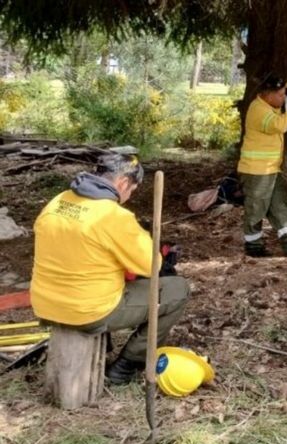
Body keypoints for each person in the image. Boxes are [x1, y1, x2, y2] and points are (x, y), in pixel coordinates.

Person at [31, 154, 190, 384]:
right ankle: (127, 365)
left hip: (45, 305)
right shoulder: (114, 216)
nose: (128, 196)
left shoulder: (58, 201)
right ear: (124, 183)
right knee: (178, 289)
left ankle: (107, 349)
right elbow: (152, 265)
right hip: (88, 310)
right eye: (132, 190)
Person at [238, 74, 287, 257]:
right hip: (257, 171)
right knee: (256, 208)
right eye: (280, 95)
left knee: (280, 204)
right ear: (267, 94)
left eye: (283, 95)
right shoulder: (258, 110)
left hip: (271, 168)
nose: (283, 98)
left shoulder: (269, 103)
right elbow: (279, 125)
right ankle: (253, 245)